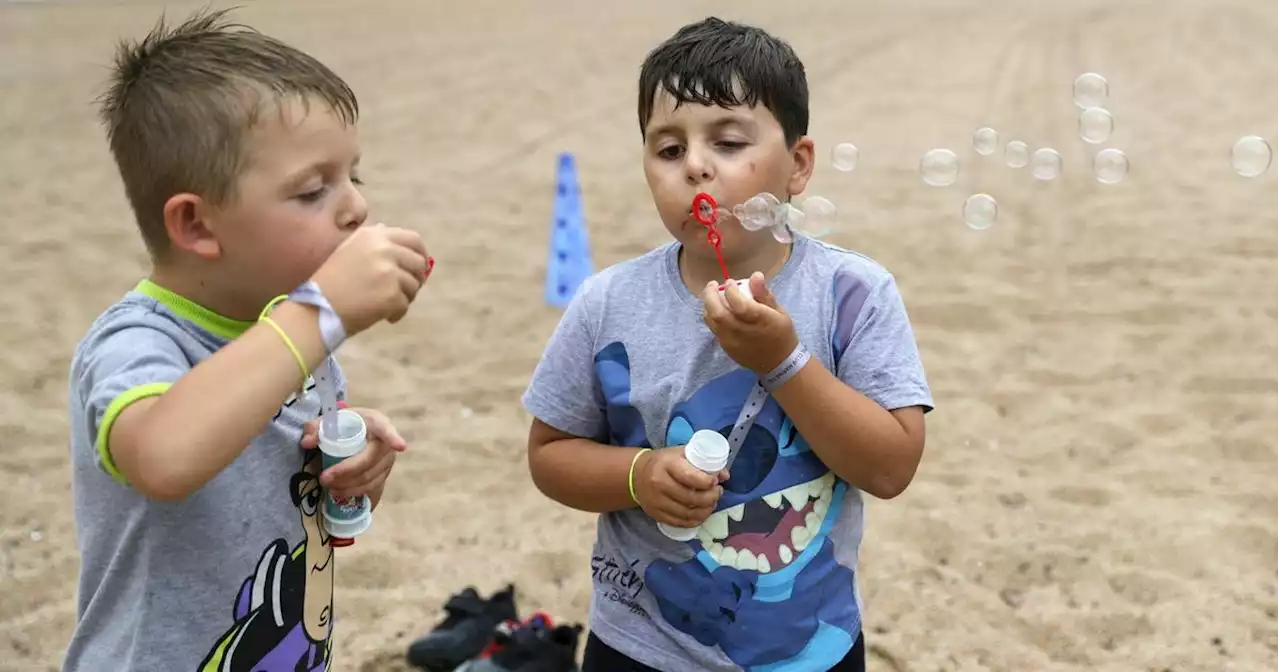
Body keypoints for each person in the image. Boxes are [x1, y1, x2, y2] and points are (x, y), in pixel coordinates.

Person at [522, 16, 933, 672]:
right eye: (668, 149)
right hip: (638, 648)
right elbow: (549, 455)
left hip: (811, 651)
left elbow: (890, 468)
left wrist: (784, 362)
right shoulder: (609, 303)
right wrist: (639, 474)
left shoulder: (854, 294)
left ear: (798, 166)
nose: (696, 168)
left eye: (729, 141)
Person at [63, 8, 432, 671]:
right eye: (314, 190)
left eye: (355, 176)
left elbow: (291, 495)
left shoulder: (287, 332)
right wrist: (318, 314)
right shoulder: (136, 341)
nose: (356, 207)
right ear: (197, 226)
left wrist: (351, 465)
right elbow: (163, 458)